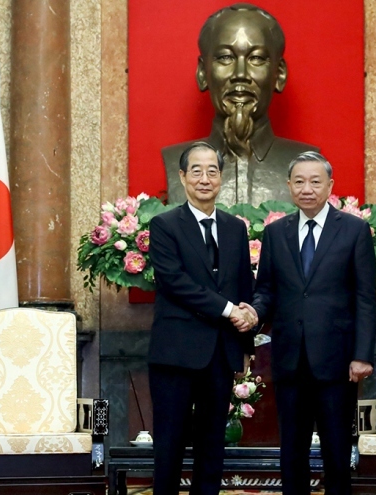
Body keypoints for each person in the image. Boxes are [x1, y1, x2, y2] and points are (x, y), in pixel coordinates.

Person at [251, 151, 376, 495]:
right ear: (289, 186)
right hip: (289, 360)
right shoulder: (276, 233)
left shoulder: (354, 230)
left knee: (337, 451)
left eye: (315, 181)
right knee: (292, 451)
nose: (307, 188)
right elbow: (266, 291)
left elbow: (365, 297)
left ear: (330, 186)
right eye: (299, 181)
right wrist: (251, 315)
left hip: (337, 360)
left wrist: (362, 354)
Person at [148, 141, 258, 495]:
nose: (205, 178)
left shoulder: (234, 228)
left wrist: (245, 340)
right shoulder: (164, 225)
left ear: (221, 178)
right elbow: (176, 283)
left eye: (212, 171)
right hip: (175, 354)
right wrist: (230, 311)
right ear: (182, 177)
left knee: (212, 447)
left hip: (220, 354)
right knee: (170, 445)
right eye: (196, 171)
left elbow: (243, 285)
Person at [163, 3, 319, 206]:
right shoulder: (175, 160)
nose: (240, 75)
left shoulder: (307, 163)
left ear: (279, 74)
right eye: (225, 57)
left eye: (256, 58)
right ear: (203, 72)